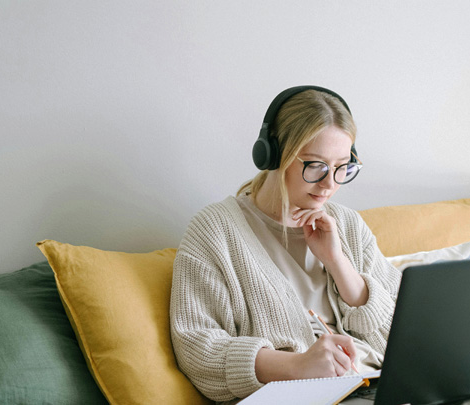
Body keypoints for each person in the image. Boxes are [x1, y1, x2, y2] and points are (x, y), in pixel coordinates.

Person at [170, 86, 402, 403]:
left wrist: (339, 264)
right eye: (316, 165)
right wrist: (296, 366)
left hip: (381, 387)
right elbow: (197, 348)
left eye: (342, 167)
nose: (330, 184)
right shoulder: (216, 230)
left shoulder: (346, 224)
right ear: (274, 155)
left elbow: (405, 333)